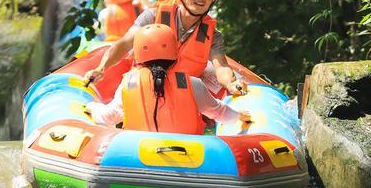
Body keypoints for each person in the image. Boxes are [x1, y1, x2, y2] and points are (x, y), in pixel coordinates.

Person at [85, 0, 246, 97]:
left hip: (183, 91)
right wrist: (101, 68)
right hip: (145, 84)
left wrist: (231, 84)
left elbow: (221, 67)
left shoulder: (213, 35)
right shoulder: (153, 16)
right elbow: (124, 44)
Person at [85, 24, 250, 133]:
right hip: (191, 158)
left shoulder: (129, 84)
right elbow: (219, 112)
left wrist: (93, 107)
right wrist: (240, 116)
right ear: (175, 53)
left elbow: (109, 116)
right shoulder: (192, 84)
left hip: (137, 157)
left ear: (138, 54)